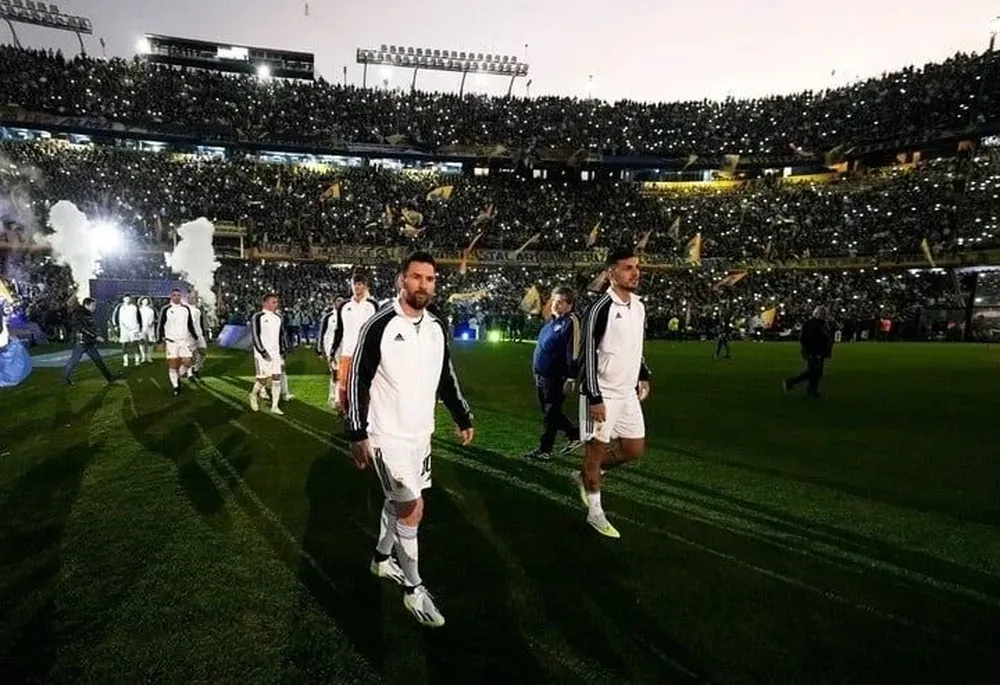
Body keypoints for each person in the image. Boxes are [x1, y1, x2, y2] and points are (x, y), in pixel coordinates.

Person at [347, 251, 474, 628]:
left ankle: (381, 561)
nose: (423, 285)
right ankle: (414, 590)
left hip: (421, 434)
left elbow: (445, 376)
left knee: (399, 503)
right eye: (416, 277)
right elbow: (358, 379)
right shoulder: (380, 324)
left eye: (430, 279)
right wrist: (356, 433)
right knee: (413, 509)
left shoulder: (436, 326)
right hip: (387, 434)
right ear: (402, 280)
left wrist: (461, 414)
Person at [575, 248, 651, 539]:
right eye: (628, 268)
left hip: (627, 393)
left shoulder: (639, 306)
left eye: (636, 267)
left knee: (634, 449)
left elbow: (636, 346)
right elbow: (587, 356)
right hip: (602, 393)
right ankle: (595, 512)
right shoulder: (599, 308)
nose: (635, 273)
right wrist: (594, 397)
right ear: (611, 273)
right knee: (594, 453)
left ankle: (586, 475)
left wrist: (642, 374)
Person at [522, 286, 582, 460]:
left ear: (569, 304)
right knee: (549, 410)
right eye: (554, 301)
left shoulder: (570, 321)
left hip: (557, 376)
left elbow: (574, 351)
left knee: (551, 412)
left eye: (560, 302)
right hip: (543, 375)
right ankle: (575, 434)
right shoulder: (551, 323)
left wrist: (571, 376)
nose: (555, 305)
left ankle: (545, 449)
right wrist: (536, 371)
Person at [331, 272, 379, 413]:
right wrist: (333, 350)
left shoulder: (372, 305)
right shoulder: (344, 306)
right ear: (351, 286)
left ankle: (366, 413)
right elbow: (339, 330)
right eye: (354, 284)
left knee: (366, 385)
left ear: (365, 286)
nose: (357, 287)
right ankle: (346, 413)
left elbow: (377, 330)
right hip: (348, 352)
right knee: (344, 384)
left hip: (366, 353)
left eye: (360, 284)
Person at [62, 297, 117, 385]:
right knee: (73, 361)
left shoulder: (87, 313)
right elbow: (82, 328)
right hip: (82, 342)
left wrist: (95, 335)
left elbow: (90, 326)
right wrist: (95, 336)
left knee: (98, 360)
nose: (94, 307)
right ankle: (65, 379)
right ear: (86, 305)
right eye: (93, 305)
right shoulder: (78, 313)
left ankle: (110, 377)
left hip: (89, 342)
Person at [157, 288, 200, 396]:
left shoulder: (185, 309)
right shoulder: (165, 309)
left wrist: (195, 336)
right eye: (174, 295)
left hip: (184, 341)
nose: (177, 297)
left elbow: (190, 324)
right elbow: (160, 325)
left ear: (181, 297)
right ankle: (176, 386)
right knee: (173, 364)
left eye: (178, 295)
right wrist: (159, 339)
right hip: (171, 342)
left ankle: (178, 376)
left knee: (188, 362)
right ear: (171, 297)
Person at [783, 306, 834, 397]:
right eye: (822, 314)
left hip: (820, 351)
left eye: (825, 314)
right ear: (816, 314)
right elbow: (804, 338)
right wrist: (810, 350)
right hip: (813, 351)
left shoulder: (822, 324)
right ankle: (791, 382)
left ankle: (812, 391)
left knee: (816, 372)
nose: (824, 316)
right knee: (812, 372)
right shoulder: (811, 324)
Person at [249, 293, 287, 414]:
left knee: (277, 378)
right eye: (273, 302)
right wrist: (262, 351)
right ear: (265, 303)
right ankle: (253, 395)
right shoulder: (258, 316)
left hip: (275, 353)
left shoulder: (278, 317)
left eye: (277, 302)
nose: (276, 304)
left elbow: (281, 335)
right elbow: (255, 335)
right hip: (262, 354)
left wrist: (283, 350)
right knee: (263, 380)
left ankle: (275, 406)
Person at [315, 295, 343, 409]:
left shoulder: (346, 315)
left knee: (342, 374)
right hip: (330, 348)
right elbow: (321, 333)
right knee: (334, 373)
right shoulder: (328, 317)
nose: (341, 303)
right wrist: (318, 349)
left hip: (343, 348)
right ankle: (332, 397)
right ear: (334, 302)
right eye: (338, 301)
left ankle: (338, 398)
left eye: (342, 301)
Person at [112, 295, 142, 368]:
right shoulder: (120, 307)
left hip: (134, 328)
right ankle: (125, 361)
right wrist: (115, 325)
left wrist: (140, 327)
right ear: (123, 299)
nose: (127, 300)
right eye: (126, 299)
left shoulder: (134, 307)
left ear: (130, 299)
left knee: (135, 344)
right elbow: (115, 316)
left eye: (128, 299)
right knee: (124, 344)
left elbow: (139, 317)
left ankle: (137, 360)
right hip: (124, 329)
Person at [186, 292, 209, 379]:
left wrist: (204, 332)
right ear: (188, 299)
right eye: (191, 298)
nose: (193, 299)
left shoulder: (198, 311)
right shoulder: (185, 309)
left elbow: (200, 323)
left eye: (194, 298)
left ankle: (196, 369)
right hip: (189, 335)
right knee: (191, 354)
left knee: (203, 352)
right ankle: (189, 373)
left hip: (199, 334)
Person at [138, 297, 156, 364]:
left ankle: (149, 357)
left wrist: (152, 323)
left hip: (150, 328)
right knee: (141, 342)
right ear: (141, 301)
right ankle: (143, 357)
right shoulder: (139, 310)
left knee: (150, 342)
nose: (145, 302)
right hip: (141, 328)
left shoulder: (151, 310)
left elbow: (155, 319)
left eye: (146, 301)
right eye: (144, 301)